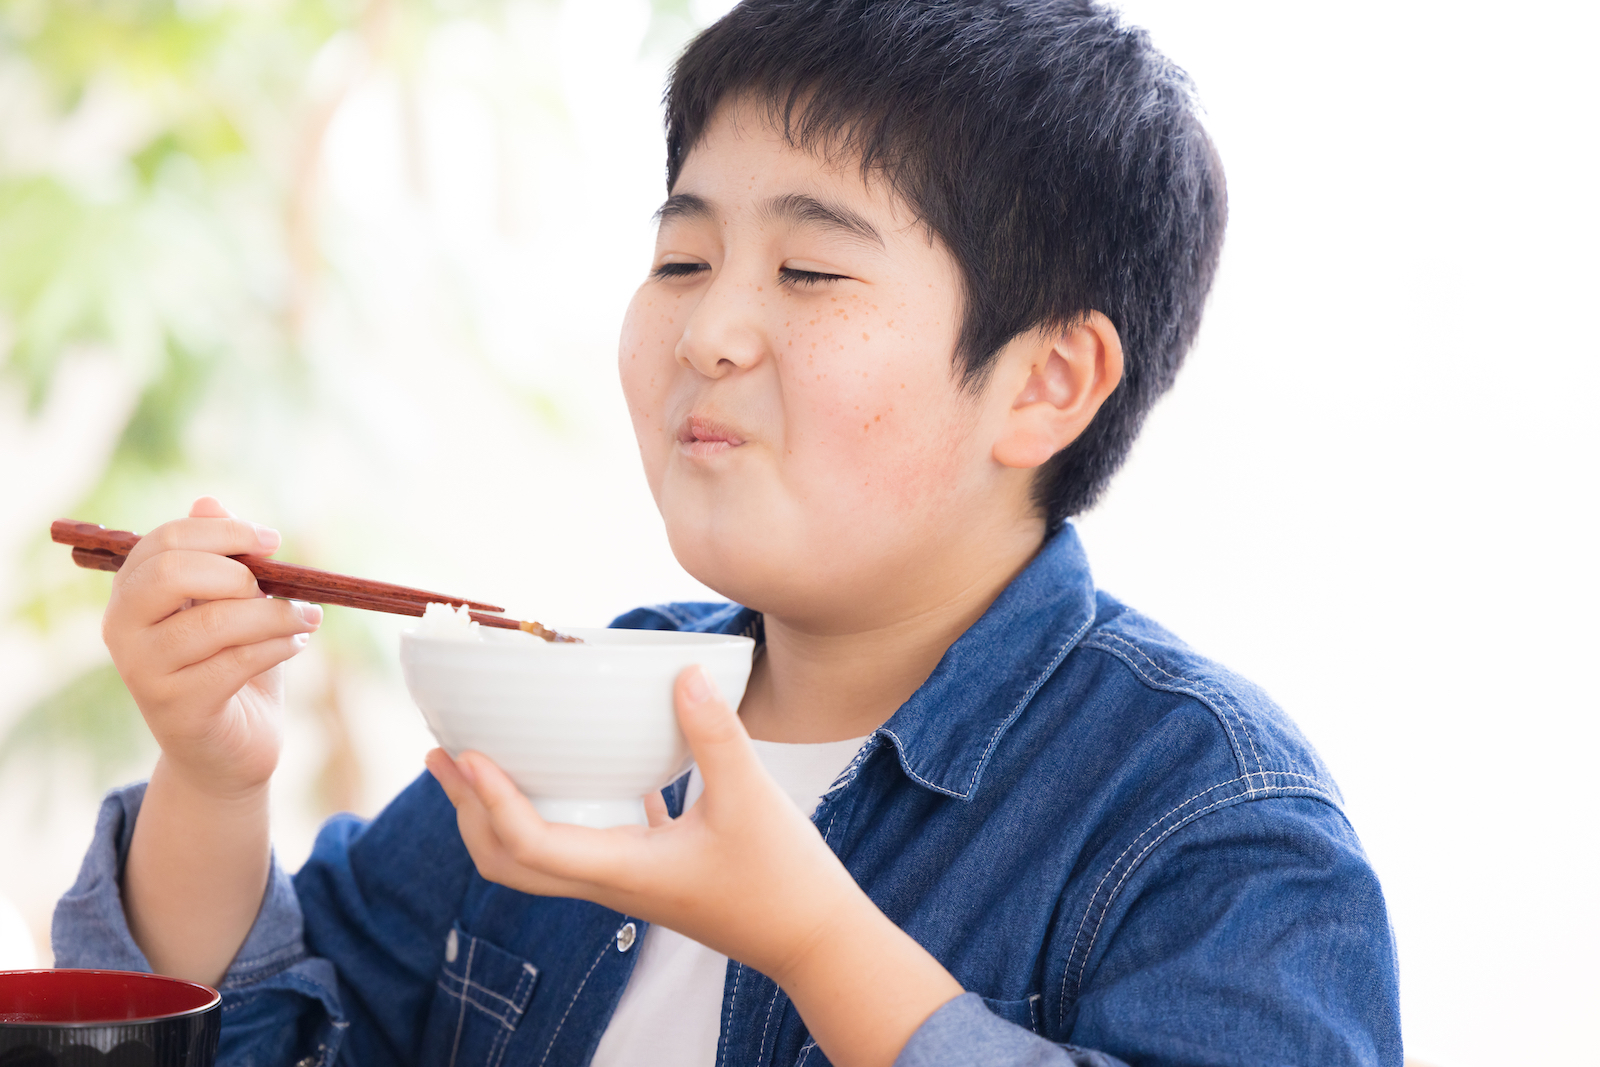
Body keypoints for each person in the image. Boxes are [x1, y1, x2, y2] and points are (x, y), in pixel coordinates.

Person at [53, 1, 1403, 1064]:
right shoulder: (579, 704)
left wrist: (816, 943)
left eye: (810, 272)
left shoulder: (1207, 811)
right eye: (683, 260)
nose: (709, 330)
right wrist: (214, 784)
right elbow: (263, 1037)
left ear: (1045, 383)